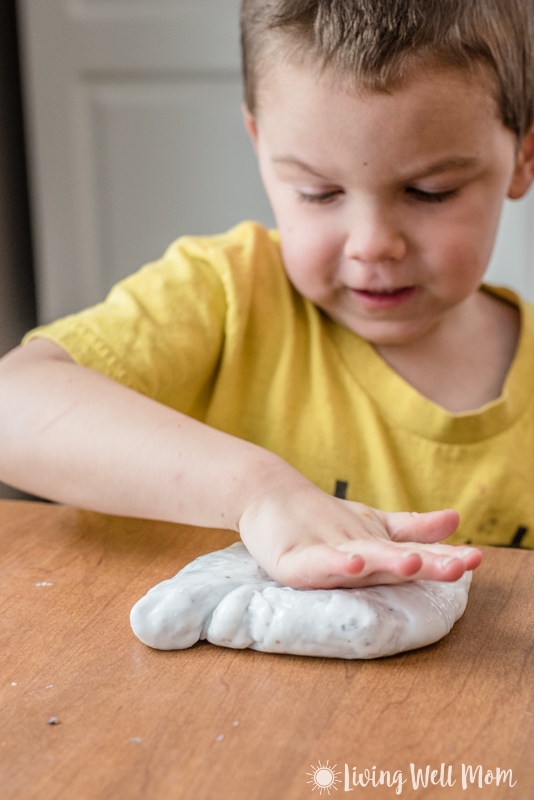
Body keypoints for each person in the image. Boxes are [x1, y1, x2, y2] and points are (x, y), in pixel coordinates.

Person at [1, 0, 534, 590]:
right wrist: (257, 491)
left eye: (430, 191)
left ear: (522, 157)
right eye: (319, 191)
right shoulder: (227, 295)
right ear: (259, 144)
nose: (373, 244)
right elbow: (12, 404)